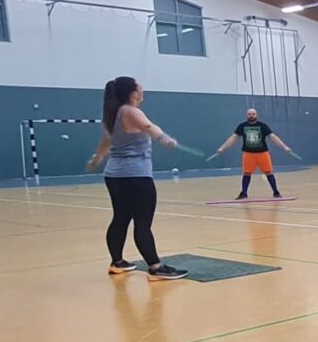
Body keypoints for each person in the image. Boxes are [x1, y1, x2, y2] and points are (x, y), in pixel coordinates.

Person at [85, 76, 187, 280]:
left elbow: (106, 140)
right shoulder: (130, 111)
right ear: (133, 93)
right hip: (136, 176)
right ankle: (156, 267)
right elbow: (149, 127)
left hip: (114, 176)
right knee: (142, 222)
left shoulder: (112, 112)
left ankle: (117, 262)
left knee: (120, 218)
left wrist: (97, 159)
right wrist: (164, 138)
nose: (143, 91)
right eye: (140, 88)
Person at [212, 107, 297, 199]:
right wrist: (223, 148)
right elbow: (233, 138)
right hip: (248, 154)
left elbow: (273, 137)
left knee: (269, 172)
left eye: (253, 114)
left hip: (263, 153)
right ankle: (244, 193)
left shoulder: (263, 126)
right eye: (249, 114)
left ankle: (276, 192)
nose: (251, 116)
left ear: (256, 115)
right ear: (246, 115)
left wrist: (284, 147)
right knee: (247, 173)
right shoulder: (242, 126)